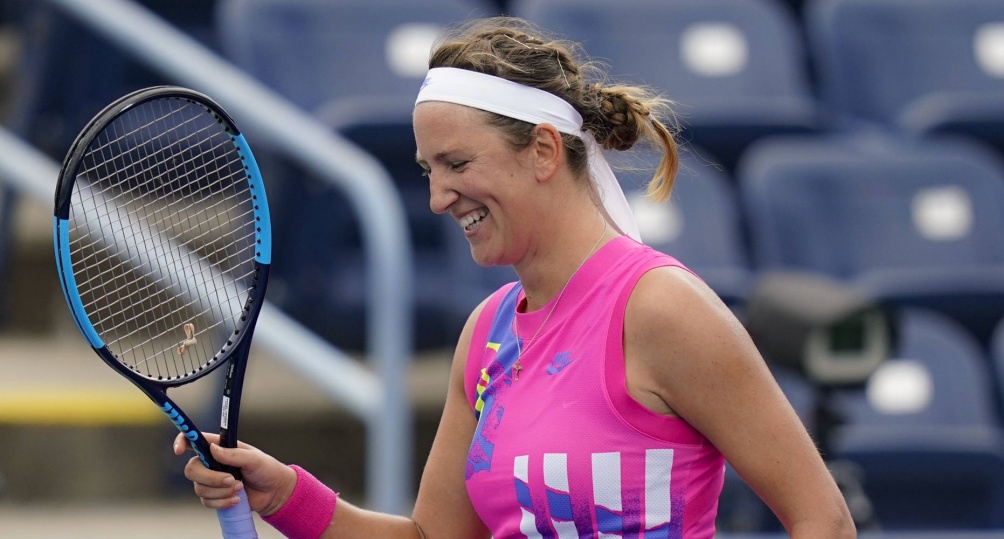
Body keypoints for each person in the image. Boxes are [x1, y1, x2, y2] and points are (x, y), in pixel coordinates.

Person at [175, 16, 856, 539]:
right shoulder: (487, 333)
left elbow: (822, 519)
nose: (439, 196)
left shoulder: (663, 309)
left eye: (457, 163)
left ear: (542, 151)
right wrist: (284, 494)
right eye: (428, 171)